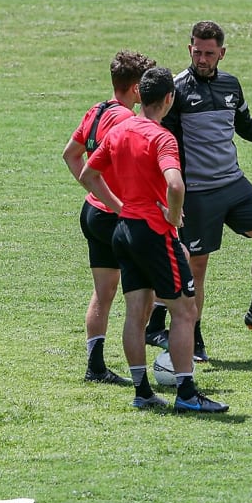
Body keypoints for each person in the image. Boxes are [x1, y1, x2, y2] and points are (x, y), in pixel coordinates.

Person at [144, 21, 252, 360]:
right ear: (189, 49)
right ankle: (192, 338)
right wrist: (172, 195)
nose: (202, 58)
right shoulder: (177, 90)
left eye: (209, 53)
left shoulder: (230, 85)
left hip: (233, 183)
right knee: (197, 266)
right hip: (196, 192)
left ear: (221, 53)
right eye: (197, 51)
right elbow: (164, 144)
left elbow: (246, 127)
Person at [80, 66, 228, 413]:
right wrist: (173, 216)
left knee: (136, 312)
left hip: (124, 231)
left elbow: (88, 174)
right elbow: (175, 184)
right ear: (168, 99)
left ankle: (142, 391)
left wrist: (120, 206)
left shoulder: (120, 130)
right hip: (153, 233)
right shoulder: (161, 137)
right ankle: (188, 393)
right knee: (185, 311)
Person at [62, 50, 156, 386]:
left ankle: (95, 366)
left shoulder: (97, 110)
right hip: (116, 216)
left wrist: (95, 192)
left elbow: (70, 155)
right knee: (149, 285)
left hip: (92, 212)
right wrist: (118, 204)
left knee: (103, 293)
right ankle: (158, 345)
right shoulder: (127, 121)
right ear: (135, 89)